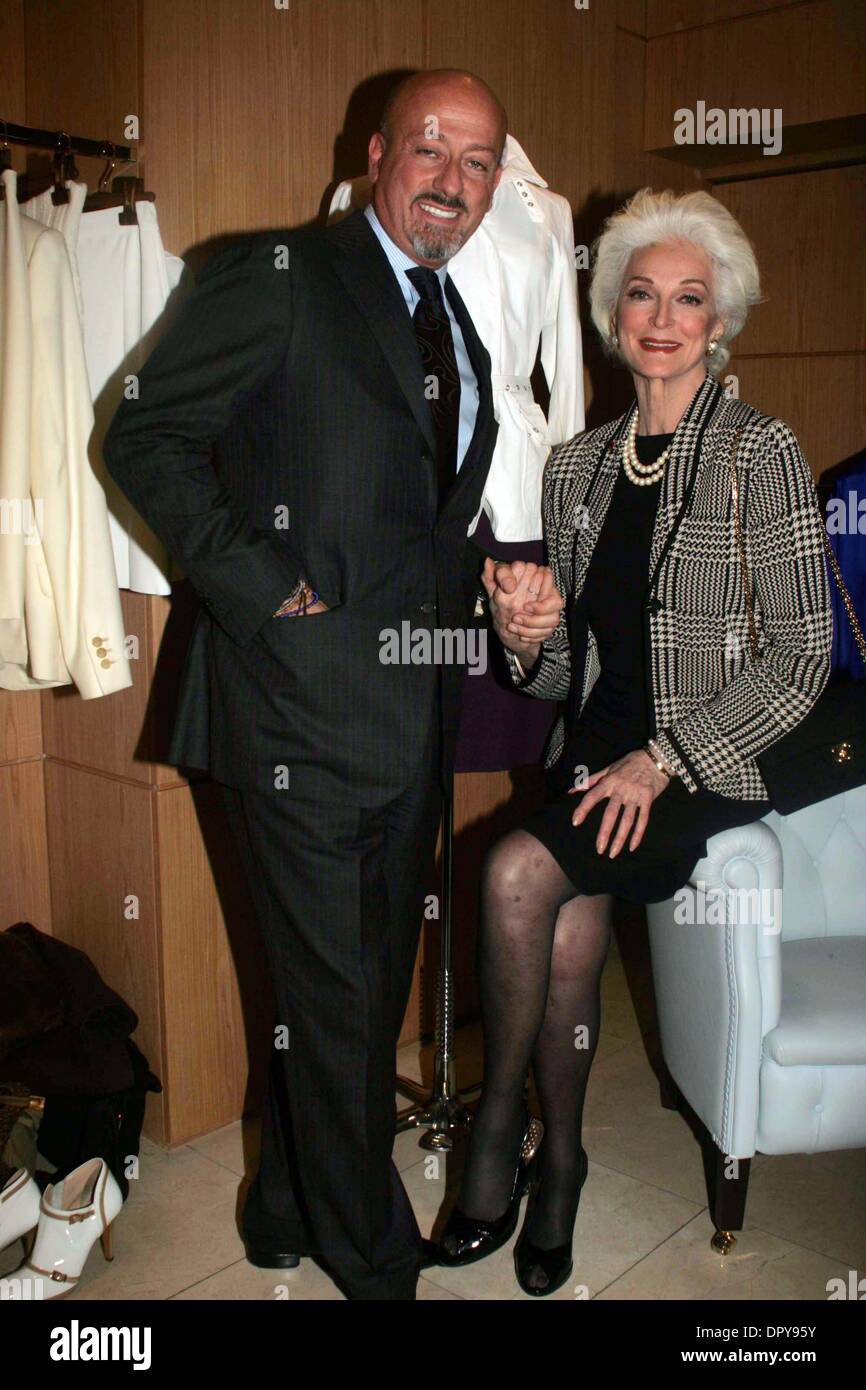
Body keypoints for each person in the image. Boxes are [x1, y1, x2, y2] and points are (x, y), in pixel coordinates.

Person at [103, 68, 513, 1301]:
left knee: (353, 982)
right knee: (339, 1005)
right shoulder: (272, 275)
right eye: (431, 150)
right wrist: (274, 594)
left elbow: (421, 518)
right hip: (292, 709)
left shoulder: (456, 321)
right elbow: (139, 432)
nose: (452, 178)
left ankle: (280, 1200)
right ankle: (372, 1258)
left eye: (479, 161)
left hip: (410, 712)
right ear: (376, 153)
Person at [426, 188, 833, 1295]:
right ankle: (557, 1165)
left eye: (687, 299)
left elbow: (800, 655)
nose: (662, 317)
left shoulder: (759, 452)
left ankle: (499, 1136)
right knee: (561, 937)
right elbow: (556, 671)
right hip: (592, 749)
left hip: (701, 760)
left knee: (517, 871)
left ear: (718, 320)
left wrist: (665, 761)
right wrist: (523, 635)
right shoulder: (577, 467)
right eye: (641, 294)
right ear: (611, 314)